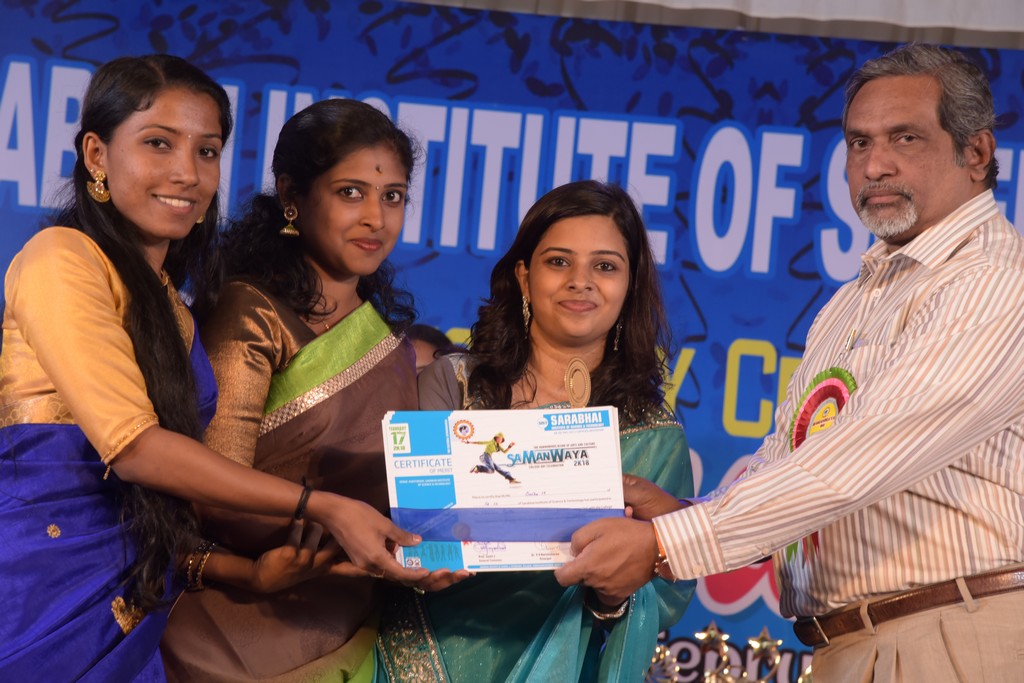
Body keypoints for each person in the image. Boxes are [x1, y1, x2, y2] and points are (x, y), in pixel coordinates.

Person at [555, 44, 1024, 682]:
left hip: (951, 636)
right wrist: (685, 514)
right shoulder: (860, 294)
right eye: (858, 143)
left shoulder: (993, 281)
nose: (875, 165)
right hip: (855, 642)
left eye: (905, 138)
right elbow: (792, 457)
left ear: (976, 152)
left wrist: (669, 543)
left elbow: (861, 457)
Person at [0, 56, 425, 682]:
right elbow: (136, 450)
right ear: (96, 154)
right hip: (43, 588)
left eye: (207, 151)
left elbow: (163, 508)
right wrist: (324, 507)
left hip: (139, 598)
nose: (187, 173)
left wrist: (246, 572)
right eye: (158, 143)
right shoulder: (61, 258)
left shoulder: (172, 306)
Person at [160, 98, 466, 682]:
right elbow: (214, 494)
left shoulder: (389, 343)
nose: (376, 218)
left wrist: (420, 548)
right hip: (237, 631)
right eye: (351, 192)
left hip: (360, 623)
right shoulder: (251, 314)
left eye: (393, 196)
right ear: (292, 196)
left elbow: (403, 496)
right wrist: (343, 537)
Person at [377, 180, 695, 683]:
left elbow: (666, 593)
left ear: (631, 285)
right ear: (524, 278)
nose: (580, 282)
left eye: (605, 266)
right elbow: (409, 529)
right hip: (420, 661)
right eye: (559, 261)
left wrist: (614, 594)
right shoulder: (453, 385)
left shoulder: (654, 436)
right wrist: (416, 560)